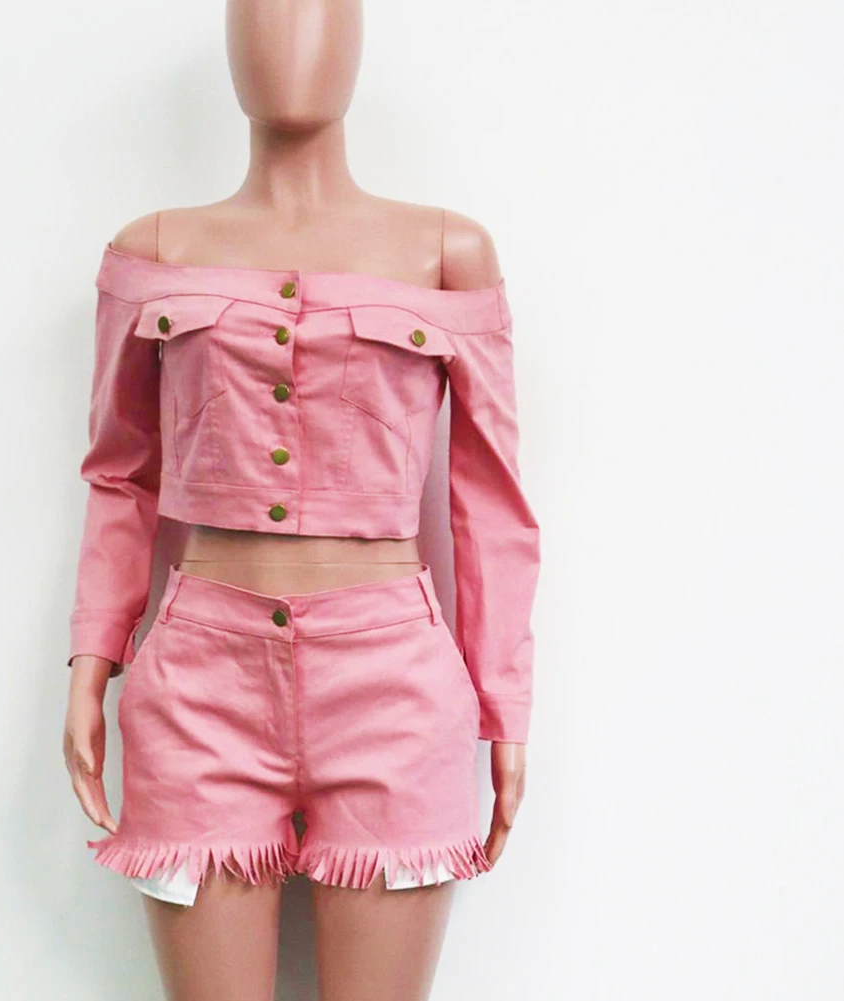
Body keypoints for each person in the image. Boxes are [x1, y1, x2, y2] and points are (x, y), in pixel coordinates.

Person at [63, 2, 540, 998]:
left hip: (393, 683)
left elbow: (489, 500)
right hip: (198, 681)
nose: (290, 38)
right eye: (261, 12)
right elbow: (120, 473)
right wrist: (90, 662)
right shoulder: (155, 249)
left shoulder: (446, 249)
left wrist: (505, 708)